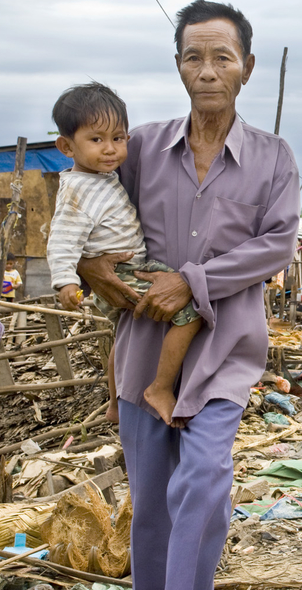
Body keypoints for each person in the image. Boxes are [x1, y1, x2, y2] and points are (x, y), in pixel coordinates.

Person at [76, 0, 299, 590]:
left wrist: (191, 281)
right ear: (178, 66)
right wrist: (89, 265)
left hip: (225, 349)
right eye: (194, 57)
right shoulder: (141, 148)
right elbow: (88, 208)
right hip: (144, 345)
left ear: (245, 67)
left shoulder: (273, 159)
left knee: (202, 480)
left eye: (221, 58)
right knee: (150, 502)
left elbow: (276, 246)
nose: (207, 71)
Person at [46, 82, 203, 428]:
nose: (110, 149)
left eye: (118, 138)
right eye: (97, 139)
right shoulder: (78, 191)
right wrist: (66, 282)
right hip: (130, 271)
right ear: (66, 146)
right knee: (192, 314)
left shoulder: (100, 179)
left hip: (127, 267)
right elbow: (61, 239)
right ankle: (160, 388)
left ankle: (115, 403)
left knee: (123, 337)